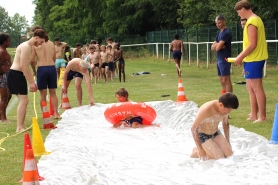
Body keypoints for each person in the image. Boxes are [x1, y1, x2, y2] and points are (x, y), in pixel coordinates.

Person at [7, 28, 48, 132]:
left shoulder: (29, 47)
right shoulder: (25, 46)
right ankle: (19, 127)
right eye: (41, 42)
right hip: (16, 74)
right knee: (24, 100)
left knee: (24, 100)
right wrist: (31, 82)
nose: (41, 44)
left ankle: (20, 126)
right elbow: (23, 65)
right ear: (36, 37)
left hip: (18, 74)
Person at [234, 0, 268, 123]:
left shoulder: (252, 22)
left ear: (243, 9)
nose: (239, 15)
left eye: (238, 12)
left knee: (257, 88)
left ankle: (262, 116)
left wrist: (240, 57)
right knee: (250, 87)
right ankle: (254, 114)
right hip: (251, 60)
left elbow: (252, 44)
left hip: (255, 59)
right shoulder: (254, 20)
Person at [190, 92, 239, 161]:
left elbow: (225, 124)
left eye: (230, 110)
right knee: (220, 158)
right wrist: (200, 149)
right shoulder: (206, 109)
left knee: (230, 156)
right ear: (221, 105)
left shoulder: (225, 109)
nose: (228, 112)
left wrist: (228, 141)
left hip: (215, 132)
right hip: (202, 135)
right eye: (228, 110)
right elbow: (193, 128)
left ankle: (207, 148)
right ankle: (197, 151)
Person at [30, 30, 60, 119]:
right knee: (53, 93)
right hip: (51, 68)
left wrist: (34, 70)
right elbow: (54, 58)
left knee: (43, 94)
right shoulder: (51, 44)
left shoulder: (35, 45)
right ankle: (55, 113)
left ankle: (45, 114)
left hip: (42, 68)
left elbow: (32, 60)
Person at [211, 15, 233, 94]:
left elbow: (217, 48)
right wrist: (218, 44)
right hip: (219, 58)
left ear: (224, 21)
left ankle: (229, 98)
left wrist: (217, 45)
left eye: (219, 23)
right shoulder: (219, 33)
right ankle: (224, 96)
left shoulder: (226, 33)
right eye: (216, 23)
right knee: (221, 80)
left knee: (226, 80)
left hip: (225, 58)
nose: (218, 25)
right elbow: (212, 47)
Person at [0, 33, 12, 122]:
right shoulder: (1, 51)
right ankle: (3, 118)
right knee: (4, 97)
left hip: (5, 75)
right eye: (8, 41)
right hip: (1, 76)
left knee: (9, 95)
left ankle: (1, 114)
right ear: (4, 42)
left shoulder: (4, 50)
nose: (10, 42)